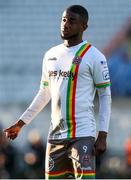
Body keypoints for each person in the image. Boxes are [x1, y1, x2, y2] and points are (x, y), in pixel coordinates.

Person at [4, 5, 111, 179]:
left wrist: (103, 134)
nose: (65, 24)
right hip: (55, 136)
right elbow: (44, 93)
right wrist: (21, 123)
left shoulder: (94, 56)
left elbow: (105, 96)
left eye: (71, 21)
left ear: (84, 26)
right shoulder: (50, 55)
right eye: (63, 20)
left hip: (82, 134)